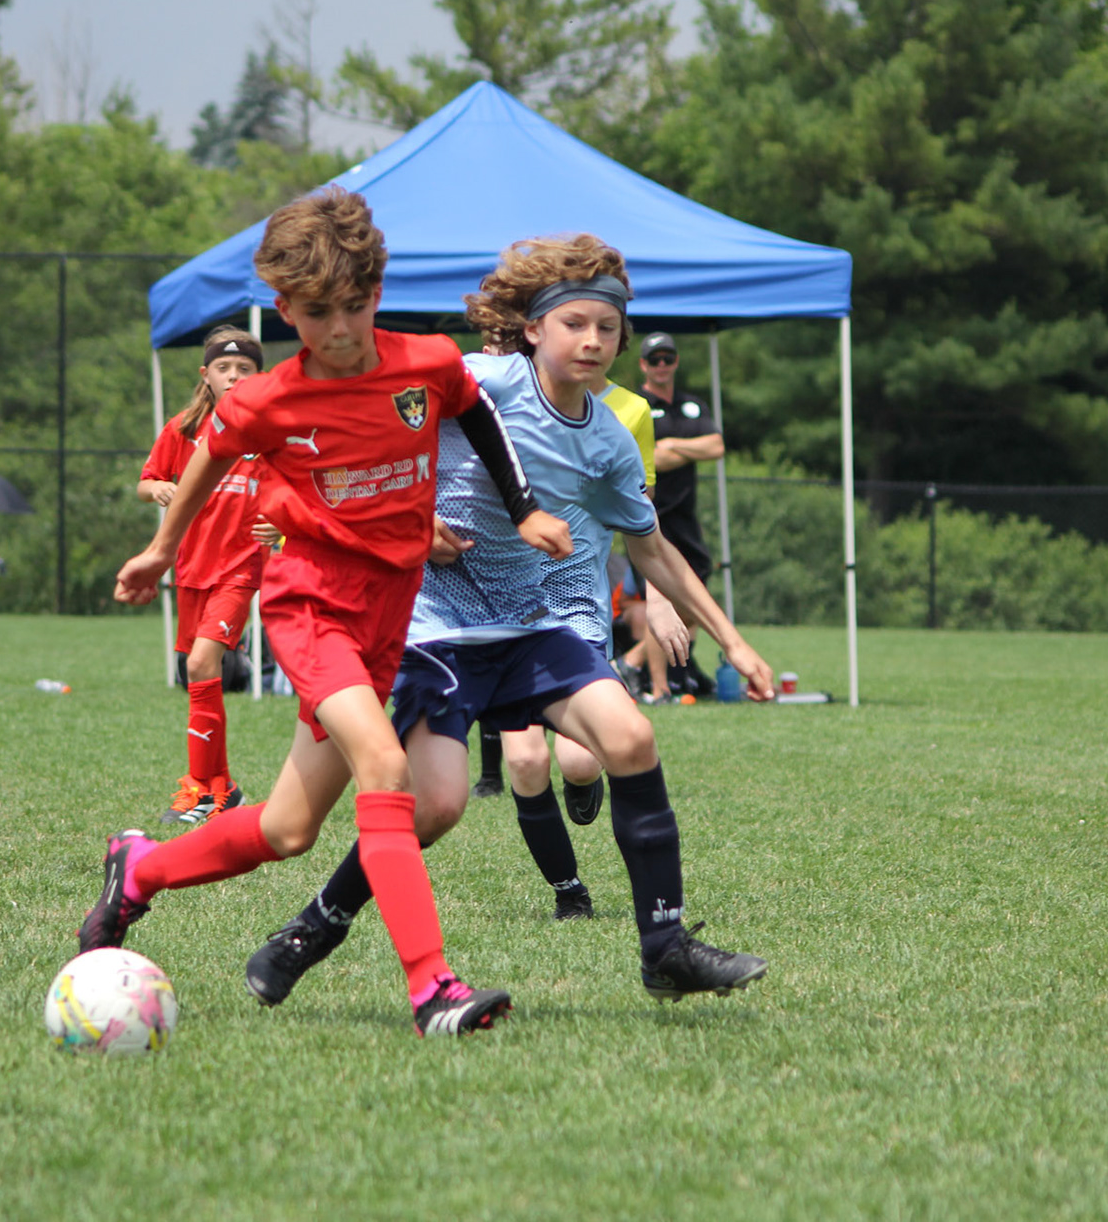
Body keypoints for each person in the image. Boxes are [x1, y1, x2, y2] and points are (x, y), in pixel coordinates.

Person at [78, 186, 573, 1038]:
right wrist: (162, 549)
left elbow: (476, 413)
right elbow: (207, 456)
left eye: (353, 306)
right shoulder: (266, 399)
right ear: (284, 311)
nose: (339, 330)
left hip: (388, 613)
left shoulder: (426, 363)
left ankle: (140, 870)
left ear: (376, 292)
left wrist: (523, 508)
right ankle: (433, 990)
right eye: (316, 314)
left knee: (287, 828)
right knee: (384, 766)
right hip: (310, 605)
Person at [244, 233, 775, 1010]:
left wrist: (735, 643)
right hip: (433, 627)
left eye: (607, 328)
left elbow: (652, 548)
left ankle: (665, 948)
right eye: (574, 324)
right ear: (532, 329)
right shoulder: (476, 381)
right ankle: (314, 926)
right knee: (436, 807)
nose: (592, 340)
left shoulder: (608, 439)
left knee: (630, 738)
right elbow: (373, 436)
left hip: (530, 627)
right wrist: (410, 519)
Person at [469, 351, 656, 803]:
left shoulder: (626, 413)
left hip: (577, 596)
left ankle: (584, 780)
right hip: (510, 601)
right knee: (525, 761)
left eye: (604, 328)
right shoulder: (484, 392)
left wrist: (662, 600)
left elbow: (645, 522)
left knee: (581, 762)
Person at [137, 324, 268, 826]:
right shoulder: (185, 428)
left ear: (260, 376)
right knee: (198, 673)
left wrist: (282, 523)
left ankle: (199, 788)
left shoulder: (267, 432)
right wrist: (158, 489)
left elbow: (294, 487)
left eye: (245, 368)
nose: (233, 376)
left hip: (240, 568)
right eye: (223, 367)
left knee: (200, 664)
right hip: (191, 567)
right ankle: (221, 787)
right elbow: (146, 481)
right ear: (205, 374)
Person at [621, 331, 724, 701]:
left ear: (676, 361)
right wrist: (683, 450)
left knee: (693, 602)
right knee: (662, 601)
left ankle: (631, 662)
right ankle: (661, 687)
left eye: (668, 358)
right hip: (650, 519)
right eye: (655, 360)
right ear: (643, 365)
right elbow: (650, 460)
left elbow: (716, 446)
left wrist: (673, 445)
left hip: (685, 519)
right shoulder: (636, 406)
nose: (662, 365)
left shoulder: (692, 405)